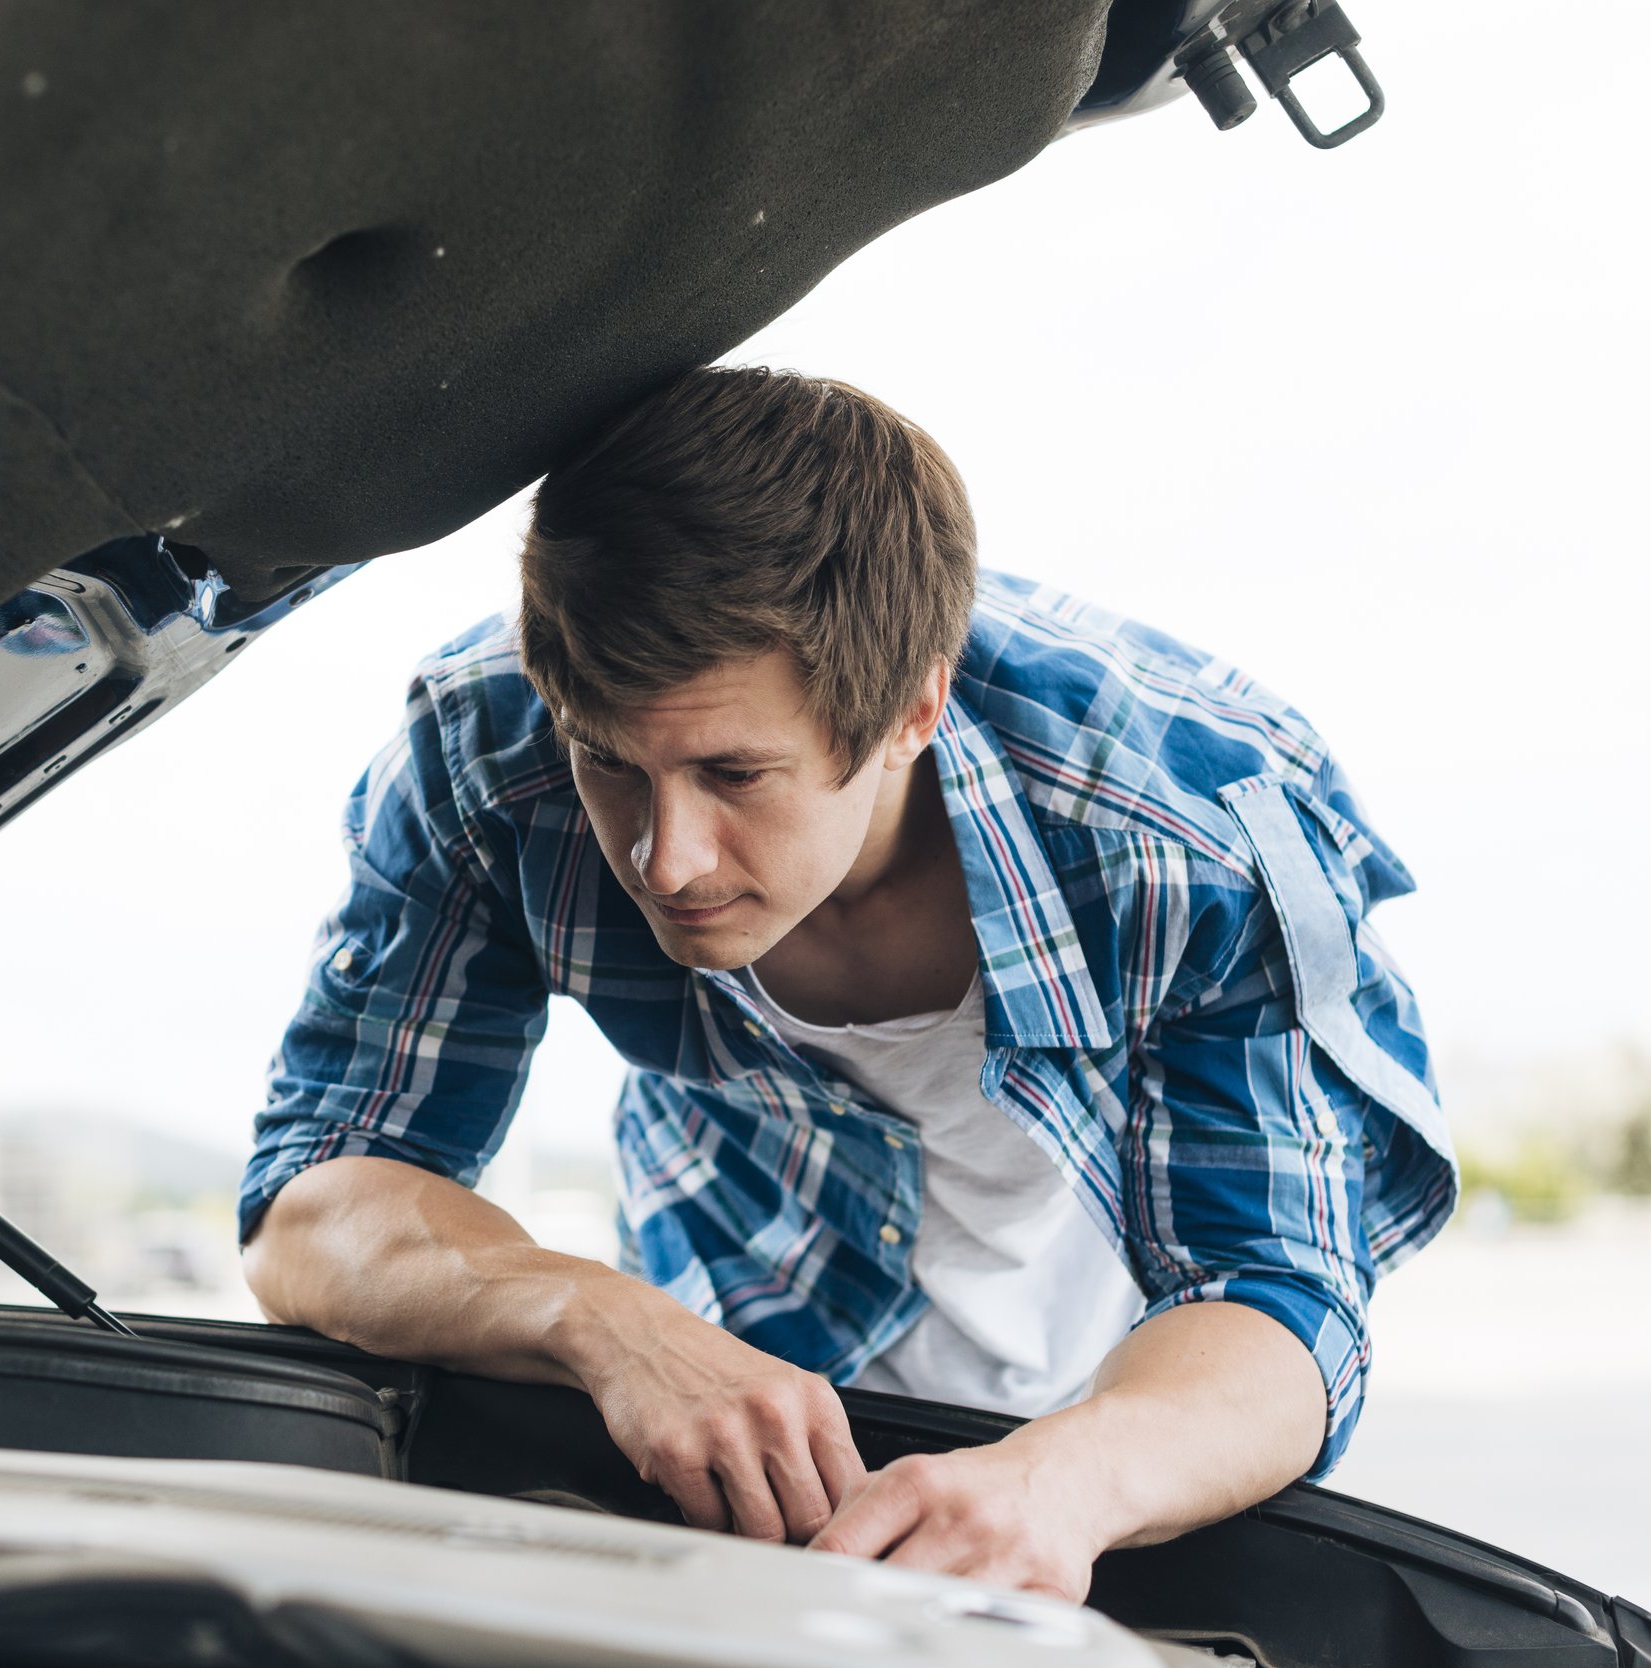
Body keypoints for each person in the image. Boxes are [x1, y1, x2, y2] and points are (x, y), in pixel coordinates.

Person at [238, 366, 1455, 1600]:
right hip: (724, 1350)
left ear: (912, 711)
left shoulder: (1191, 832)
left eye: (734, 775)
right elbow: (310, 1204)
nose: (664, 859)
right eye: (607, 762)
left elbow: (1277, 1298)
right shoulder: (488, 747)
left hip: (1122, 1429)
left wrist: (1064, 1483)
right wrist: (600, 1320)